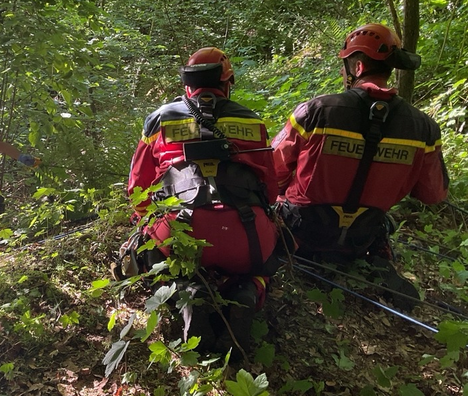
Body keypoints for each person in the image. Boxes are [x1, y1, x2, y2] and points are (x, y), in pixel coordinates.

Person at [121, 47, 280, 356]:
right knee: (266, 263)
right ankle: (249, 289)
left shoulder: (159, 120)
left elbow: (137, 187)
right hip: (246, 235)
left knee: (149, 255)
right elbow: (270, 192)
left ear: (187, 85)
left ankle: (185, 295)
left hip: (182, 235)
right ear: (228, 83)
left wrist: (145, 223)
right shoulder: (253, 122)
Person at [272, 24, 449, 264]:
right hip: (362, 236)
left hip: (301, 233)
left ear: (358, 67)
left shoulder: (315, 112)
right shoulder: (424, 128)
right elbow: (433, 194)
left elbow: (273, 173)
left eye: (345, 67)